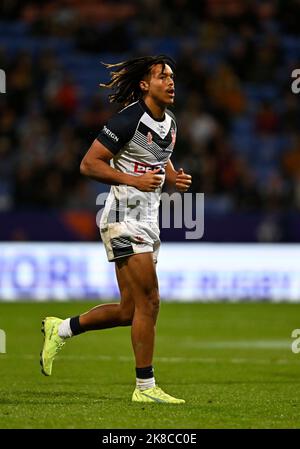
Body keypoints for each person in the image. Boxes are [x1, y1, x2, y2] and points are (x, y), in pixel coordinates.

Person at [40, 55, 192, 404]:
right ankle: (145, 388)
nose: (170, 82)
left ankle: (60, 328)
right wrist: (132, 179)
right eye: (161, 76)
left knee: (130, 310)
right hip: (123, 217)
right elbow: (88, 164)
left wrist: (171, 176)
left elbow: (157, 151)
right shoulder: (126, 120)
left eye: (172, 76)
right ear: (144, 84)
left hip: (149, 220)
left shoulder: (168, 122)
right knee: (150, 300)